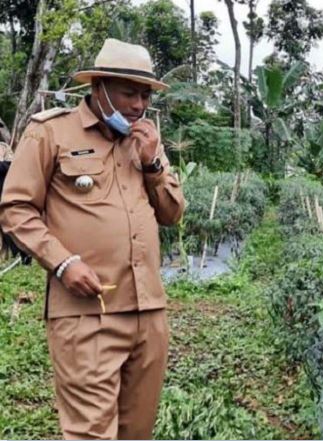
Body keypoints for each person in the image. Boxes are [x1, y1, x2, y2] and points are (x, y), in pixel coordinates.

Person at [0, 38, 185, 439]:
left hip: (149, 312)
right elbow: (15, 208)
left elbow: (172, 214)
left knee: (137, 432)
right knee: (91, 434)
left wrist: (153, 163)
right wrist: (64, 263)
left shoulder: (146, 140)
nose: (139, 105)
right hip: (87, 313)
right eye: (129, 93)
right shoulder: (51, 132)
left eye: (145, 95)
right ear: (98, 87)